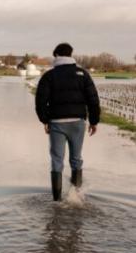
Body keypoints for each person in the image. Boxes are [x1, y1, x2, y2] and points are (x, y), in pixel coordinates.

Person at [35, 43, 100, 201]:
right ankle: (76, 197)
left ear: (56, 55)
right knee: (76, 159)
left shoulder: (49, 76)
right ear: (71, 54)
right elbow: (93, 99)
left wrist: (45, 120)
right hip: (77, 122)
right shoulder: (82, 74)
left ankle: (57, 201)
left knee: (57, 160)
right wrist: (94, 121)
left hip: (56, 123)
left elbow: (40, 101)